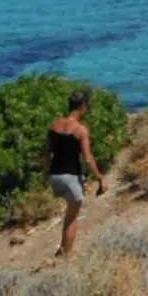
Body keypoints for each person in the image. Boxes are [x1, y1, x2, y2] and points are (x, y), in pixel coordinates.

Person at [47, 89, 105, 257]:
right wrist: (100, 178)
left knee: (69, 213)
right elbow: (88, 158)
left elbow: (46, 153)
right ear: (82, 106)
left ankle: (62, 250)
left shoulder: (54, 124)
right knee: (73, 218)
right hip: (70, 177)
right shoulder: (80, 130)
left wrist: (46, 175)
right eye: (87, 107)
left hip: (54, 175)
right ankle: (67, 257)